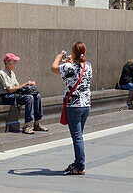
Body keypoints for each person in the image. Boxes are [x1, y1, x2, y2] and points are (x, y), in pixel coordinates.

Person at [52, 42, 92, 176]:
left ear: (73, 52)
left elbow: (53, 68)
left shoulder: (69, 67)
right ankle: (78, 162)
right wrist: (71, 60)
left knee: (77, 137)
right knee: (79, 135)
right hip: (86, 104)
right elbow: (77, 71)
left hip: (73, 106)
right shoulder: (88, 66)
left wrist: (59, 57)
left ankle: (80, 166)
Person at [0, 53, 46, 133]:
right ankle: (26, 126)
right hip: (6, 97)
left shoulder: (12, 73)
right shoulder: (1, 74)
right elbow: (10, 90)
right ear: (9, 62)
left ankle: (37, 123)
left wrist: (27, 86)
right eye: (14, 61)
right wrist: (24, 84)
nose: (16, 63)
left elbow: (17, 87)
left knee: (37, 96)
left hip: (14, 95)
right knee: (29, 98)